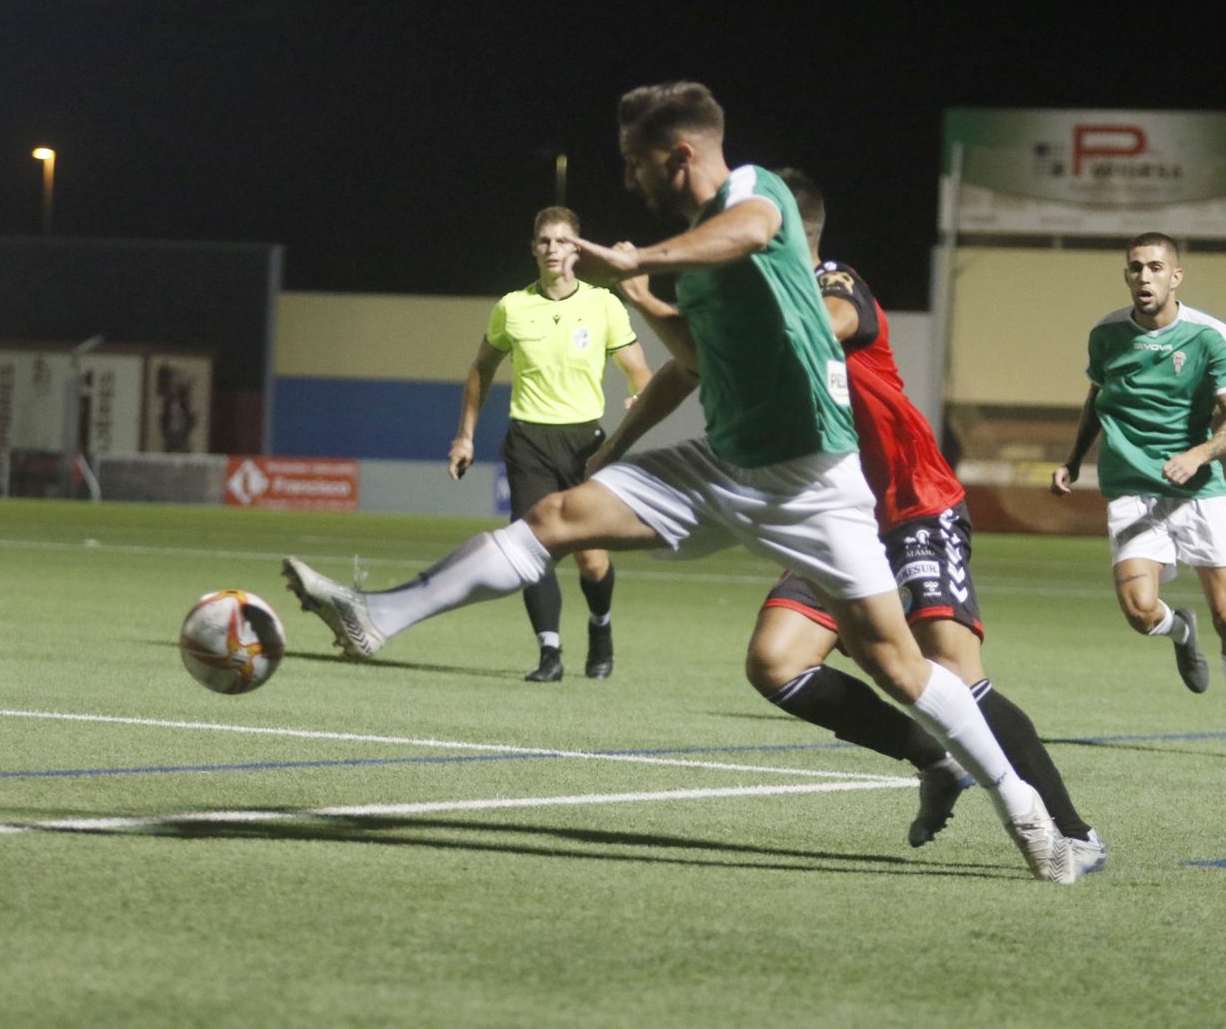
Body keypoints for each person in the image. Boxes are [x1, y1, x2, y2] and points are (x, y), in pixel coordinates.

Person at [284, 81, 1076, 883]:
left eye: (634, 164)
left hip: (816, 485)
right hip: (725, 465)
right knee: (558, 516)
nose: (629, 181)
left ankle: (1024, 810)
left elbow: (754, 229)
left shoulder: (753, 193)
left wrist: (640, 262)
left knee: (903, 670)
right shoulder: (696, 250)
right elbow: (694, 361)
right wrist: (645, 306)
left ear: (680, 154)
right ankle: (376, 616)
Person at [727, 168, 1104, 869]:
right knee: (775, 663)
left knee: (954, 672)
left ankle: (1074, 832)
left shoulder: (837, 282)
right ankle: (932, 756)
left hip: (912, 506)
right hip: (837, 513)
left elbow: (835, 321)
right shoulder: (756, 299)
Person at [1050, 232, 1226, 763]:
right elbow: (1095, 399)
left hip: (1198, 492)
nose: (1143, 277)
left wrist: (1200, 454)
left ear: (1176, 277)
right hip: (1131, 490)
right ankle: (1178, 630)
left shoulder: (1210, 336)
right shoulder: (1105, 334)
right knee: (1139, 610)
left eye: (1154, 268)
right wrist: (1074, 458)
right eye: (1134, 268)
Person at [448, 206, 652, 682]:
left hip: (586, 445)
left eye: (563, 241)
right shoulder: (512, 307)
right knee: (531, 550)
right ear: (534, 249)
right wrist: (465, 435)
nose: (553, 249)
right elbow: (481, 368)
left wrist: (641, 393)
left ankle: (600, 629)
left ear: (577, 249)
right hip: (528, 441)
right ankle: (549, 653)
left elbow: (639, 368)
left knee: (591, 558)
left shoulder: (603, 305)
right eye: (545, 241)